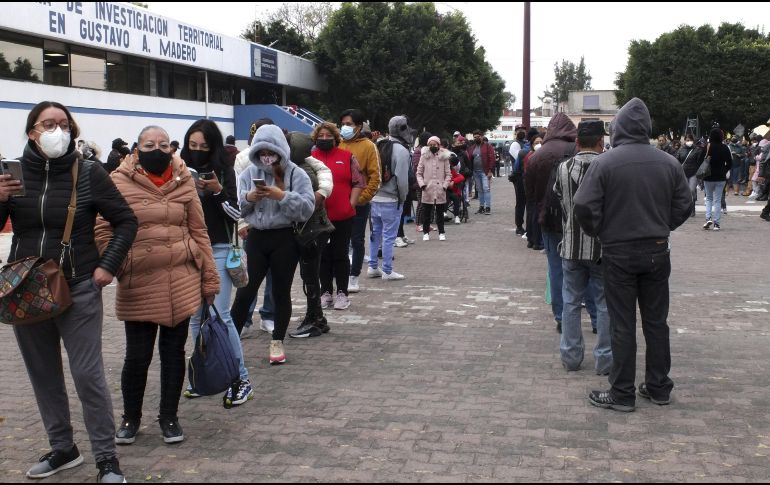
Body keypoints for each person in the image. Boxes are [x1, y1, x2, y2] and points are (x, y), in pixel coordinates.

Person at [1, 101, 137, 483]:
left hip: (78, 285)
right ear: (32, 131)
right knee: (43, 373)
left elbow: (126, 220)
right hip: (26, 288)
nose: (57, 130)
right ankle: (63, 449)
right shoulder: (11, 173)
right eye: (48, 124)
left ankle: (107, 458)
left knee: (87, 374)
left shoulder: (90, 172)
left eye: (63, 124)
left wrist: (106, 267)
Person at [96, 124, 219, 446]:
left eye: (164, 145)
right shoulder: (117, 181)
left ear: (173, 149)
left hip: (181, 279)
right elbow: (102, 229)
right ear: (136, 150)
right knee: (137, 356)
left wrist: (209, 276)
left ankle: (169, 417)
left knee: (173, 353)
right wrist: (121, 264)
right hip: (139, 281)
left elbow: (199, 231)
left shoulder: (185, 181)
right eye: (149, 144)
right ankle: (130, 418)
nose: (157, 150)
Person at [574, 97, 692, 413]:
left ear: (619, 128)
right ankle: (658, 386)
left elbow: (583, 205)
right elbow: (685, 205)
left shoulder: (604, 163)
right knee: (656, 322)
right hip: (656, 250)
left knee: (622, 323)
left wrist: (601, 231)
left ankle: (622, 392)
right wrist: (663, 225)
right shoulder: (668, 162)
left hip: (619, 252)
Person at [177, 119, 253, 408]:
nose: (196, 151)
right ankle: (205, 374)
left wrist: (218, 190)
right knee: (196, 319)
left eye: (203, 147)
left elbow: (237, 214)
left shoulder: (225, 168)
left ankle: (240, 379)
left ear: (214, 146)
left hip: (219, 248)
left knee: (221, 316)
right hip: (188, 251)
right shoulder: (180, 168)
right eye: (192, 146)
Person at [230, 125, 315, 364]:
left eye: (271, 151)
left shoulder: (295, 173)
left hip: (284, 238)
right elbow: (239, 206)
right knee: (245, 291)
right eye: (262, 151)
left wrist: (282, 196)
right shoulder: (248, 173)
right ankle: (231, 343)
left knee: (280, 292)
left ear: (281, 149)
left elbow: (307, 208)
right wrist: (249, 198)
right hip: (256, 237)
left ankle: (277, 341)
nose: (267, 156)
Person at [554, 120, 612, 375]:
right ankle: (605, 360)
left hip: (571, 245)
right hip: (601, 248)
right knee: (604, 304)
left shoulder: (563, 169)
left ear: (577, 142)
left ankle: (571, 357)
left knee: (571, 303)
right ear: (601, 142)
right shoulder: (609, 168)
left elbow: (559, 198)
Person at [526, 113, 577, 334]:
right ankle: (594, 316)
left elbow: (530, 192)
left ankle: (560, 316)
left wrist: (541, 208)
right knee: (587, 268)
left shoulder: (538, 155)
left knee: (555, 268)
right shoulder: (577, 149)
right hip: (577, 220)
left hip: (548, 219)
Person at [308, 122, 364, 324]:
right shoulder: (311, 159)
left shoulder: (347, 157)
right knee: (322, 256)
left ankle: (342, 292)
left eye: (327, 135)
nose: (324, 138)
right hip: (318, 217)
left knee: (341, 254)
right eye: (320, 135)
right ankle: (325, 292)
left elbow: (359, 182)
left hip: (343, 215)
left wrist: (351, 204)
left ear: (335, 137)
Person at [285, 131, 334, 338]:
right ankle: (317, 318)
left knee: (310, 276)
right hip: (316, 229)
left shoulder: (300, 171)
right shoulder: (306, 167)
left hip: (310, 231)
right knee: (311, 275)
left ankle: (313, 319)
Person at [234, 118, 276, 338]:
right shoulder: (243, 159)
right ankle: (245, 317)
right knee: (249, 276)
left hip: (276, 227)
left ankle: (268, 315)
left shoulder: (281, 156)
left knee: (273, 276)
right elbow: (237, 192)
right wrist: (241, 222)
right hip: (251, 225)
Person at [338, 109, 381, 294]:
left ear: (359, 126)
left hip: (359, 205)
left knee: (356, 240)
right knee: (338, 241)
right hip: (337, 204)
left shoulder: (369, 146)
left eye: (349, 124)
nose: (345, 127)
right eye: (343, 124)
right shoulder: (336, 144)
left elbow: (375, 178)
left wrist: (361, 199)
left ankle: (353, 277)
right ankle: (338, 275)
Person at [367, 115, 412, 281]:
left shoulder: (378, 145)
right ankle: (387, 269)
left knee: (375, 234)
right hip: (391, 199)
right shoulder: (401, 150)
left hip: (374, 197)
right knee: (389, 236)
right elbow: (402, 179)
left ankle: (372, 266)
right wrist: (403, 197)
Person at [417, 136, 452, 241]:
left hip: (440, 189)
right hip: (427, 188)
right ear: (428, 145)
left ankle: (441, 232)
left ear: (438, 145)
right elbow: (418, 173)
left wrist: (445, 186)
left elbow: (448, 174)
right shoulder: (424, 156)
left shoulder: (444, 157)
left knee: (440, 213)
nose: (433, 146)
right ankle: (425, 232)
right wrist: (422, 184)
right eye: (430, 145)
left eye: (435, 144)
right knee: (426, 212)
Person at [702, 128, 731, 231]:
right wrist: (724, 170)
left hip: (708, 176)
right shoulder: (725, 148)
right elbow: (730, 163)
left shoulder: (707, 147)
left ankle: (708, 218)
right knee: (718, 200)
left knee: (709, 198)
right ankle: (717, 224)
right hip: (720, 177)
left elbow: (701, 160)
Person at [466, 130, 496, 214]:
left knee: (486, 189)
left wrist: (490, 171)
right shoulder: (472, 147)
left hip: (485, 171)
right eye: (475, 137)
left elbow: (492, 159)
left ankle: (488, 207)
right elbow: (470, 159)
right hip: (476, 172)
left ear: (482, 136)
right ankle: (481, 206)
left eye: (478, 137)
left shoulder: (487, 146)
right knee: (479, 190)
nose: (476, 138)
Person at [523, 132, 544, 250]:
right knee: (534, 215)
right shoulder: (531, 156)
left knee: (532, 214)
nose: (539, 144)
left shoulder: (531, 155)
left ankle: (531, 239)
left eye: (541, 142)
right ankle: (536, 241)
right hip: (534, 189)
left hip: (533, 188)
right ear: (531, 145)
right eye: (536, 143)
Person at [676, 133, 703, 218]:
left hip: (693, 173)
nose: (689, 142)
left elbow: (700, 161)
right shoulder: (681, 149)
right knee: (684, 192)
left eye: (690, 140)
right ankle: (685, 209)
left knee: (691, 190)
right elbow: (677, 160)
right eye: (687, 140)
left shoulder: (697, 150)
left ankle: (692, 208)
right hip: (683, 173)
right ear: (684, 141)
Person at [509, 129, 527, 235]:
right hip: (519, 176)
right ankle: (519, 226)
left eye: (523, 130)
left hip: (523, 175)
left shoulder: (525, 143)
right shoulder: (515, 145)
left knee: (526, 202)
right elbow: (519, 159)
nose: (521, 132)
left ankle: (524, 226)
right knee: (521, 202)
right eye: (519, 130)